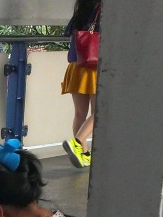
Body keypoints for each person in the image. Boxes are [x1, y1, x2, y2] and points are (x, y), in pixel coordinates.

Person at [60, 0, 100, 169]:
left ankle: (83, 154)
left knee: (79, 114)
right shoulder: (103, 10)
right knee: (99, 112)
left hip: (76, 66)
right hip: (93, 67)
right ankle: (78, 142)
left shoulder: (81, 9)